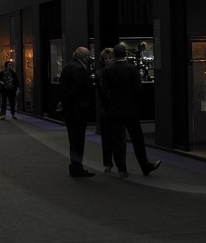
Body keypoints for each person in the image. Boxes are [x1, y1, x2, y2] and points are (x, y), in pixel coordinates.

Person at [99, 43, 160, 177]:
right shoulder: (132, 69)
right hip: (131, 110)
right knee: (137, 140)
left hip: (115, 110)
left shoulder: (108, 71)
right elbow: (139, 90)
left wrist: (109, 107)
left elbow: (104, 93)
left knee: (116, 140)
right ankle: (145, 166)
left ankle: (122, 168)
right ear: (125, 54)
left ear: (114, 55)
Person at [59, 47, 96, 178]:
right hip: (78, 110)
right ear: (84, 58)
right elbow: (76, 90)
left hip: (70, 111)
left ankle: (75, 167)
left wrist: (63, 104)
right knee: (78, 141)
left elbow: (64, 88)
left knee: (73, 140)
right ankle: (77, 168)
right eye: (88, 57)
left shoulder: (67, 66)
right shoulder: (80, 69)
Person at [95, 48, 119, 173]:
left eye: (110, 58)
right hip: (105, 109)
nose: (108, 61)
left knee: (118, 138)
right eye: (105, 59)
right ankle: (108, 162)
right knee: (106, 138)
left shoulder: (118, 71)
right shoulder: (99, 74)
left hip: (117, 109)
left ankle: (120, 163)